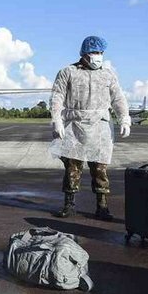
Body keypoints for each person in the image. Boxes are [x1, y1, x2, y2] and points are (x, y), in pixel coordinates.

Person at [49, 36, 130, 221]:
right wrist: (57, 119)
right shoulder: (68, 72)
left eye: (101, 53)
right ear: (84, 54)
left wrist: (124, 118)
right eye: (94, 52)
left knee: (100, 168)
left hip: (100, 127)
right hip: (74, 126)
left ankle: (102, 206)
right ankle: (69, 205)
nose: (98, 56)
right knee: (72, 167)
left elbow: (118, 98)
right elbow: (57, 96)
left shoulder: (108, 74)